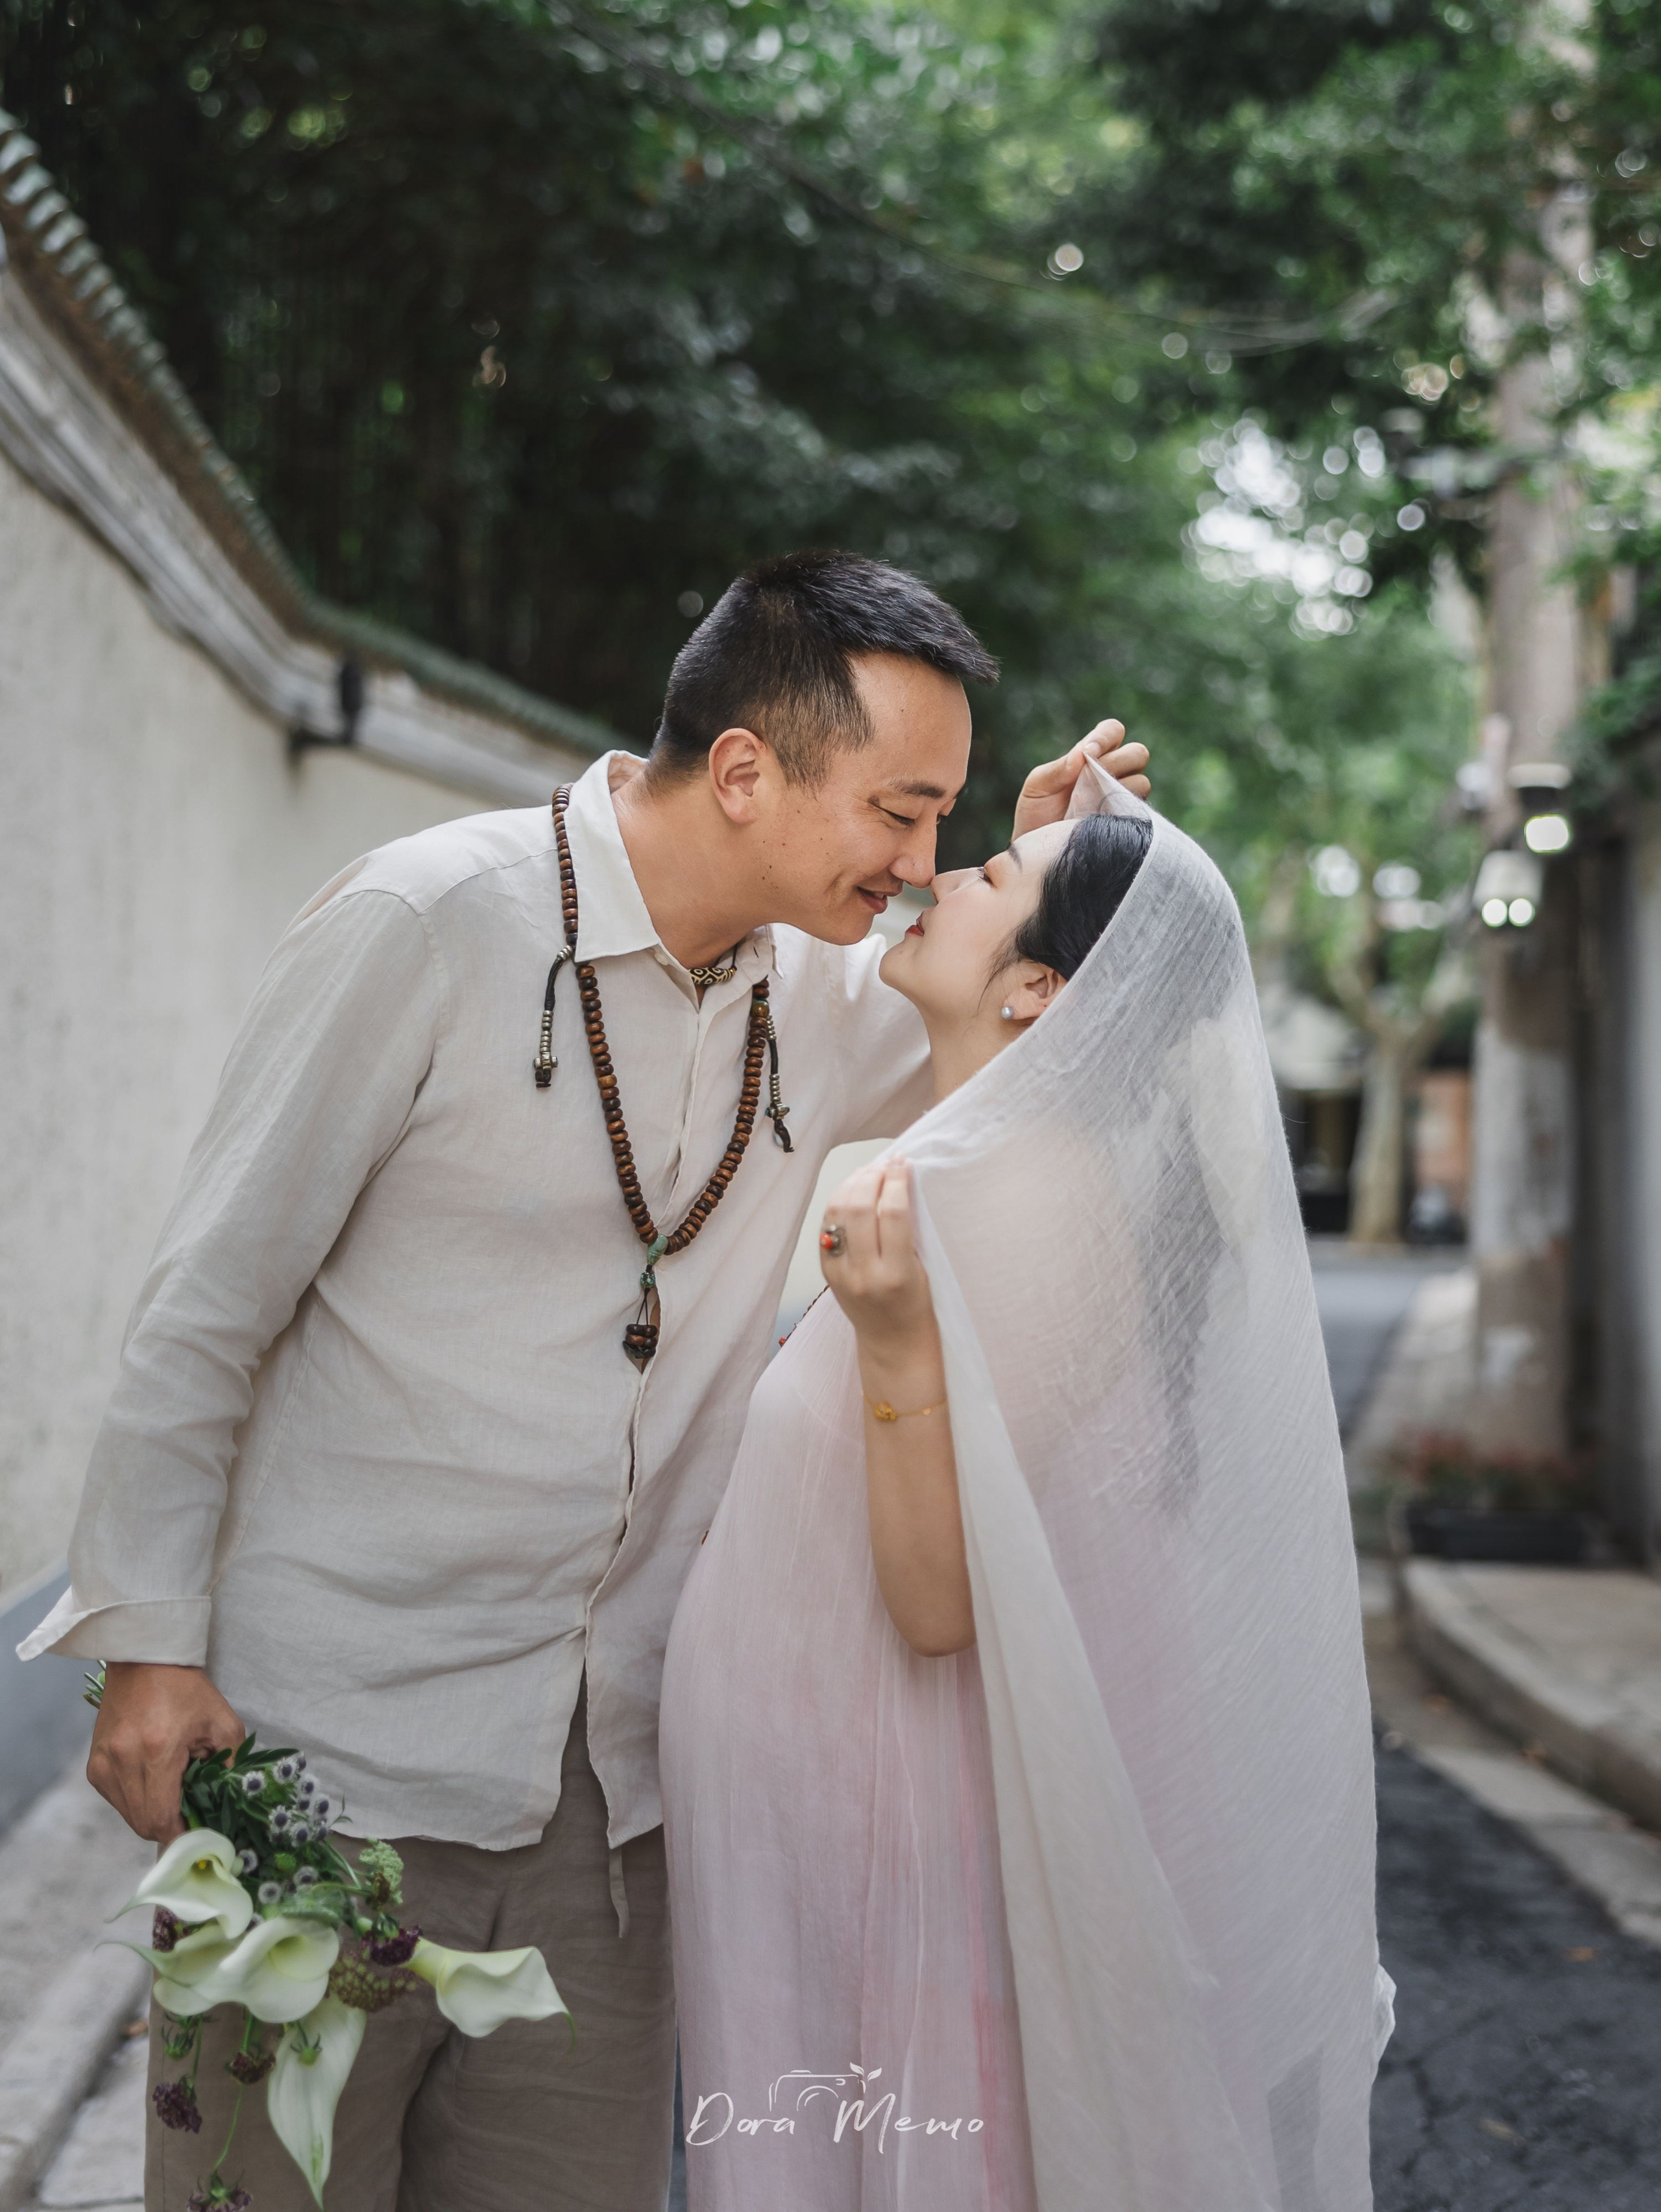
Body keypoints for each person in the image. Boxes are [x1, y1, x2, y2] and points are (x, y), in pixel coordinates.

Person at [18, 550, 1150, 2212]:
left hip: (617, 1816)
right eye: (899, 814)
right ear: (747, 769)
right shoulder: (428, 917)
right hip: (323, 1757)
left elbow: (1026, 1014)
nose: (920, 869)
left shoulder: (837, 992)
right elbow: (208, 1302)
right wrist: (147, 1651)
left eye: (944, 826)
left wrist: (1050, 861)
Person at [661, 767, 1390, 2212]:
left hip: (910, 1850)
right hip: (830, 1836)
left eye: (988, 873)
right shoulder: (965, 1155)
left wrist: (886, 1339)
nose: (939, 878)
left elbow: (938, 1605)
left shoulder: (1048, 1198)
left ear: (1040, 991)